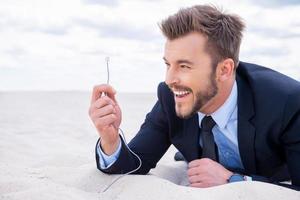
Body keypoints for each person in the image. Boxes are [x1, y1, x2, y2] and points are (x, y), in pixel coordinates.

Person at [88, 5, 300, 190]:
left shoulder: (289, 102)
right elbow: (134, 164)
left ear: (224, 69)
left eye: (184, 66)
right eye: (168, 64)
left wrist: (234, 180)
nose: (170, 79)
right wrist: (110, 139)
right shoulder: (170, 96)